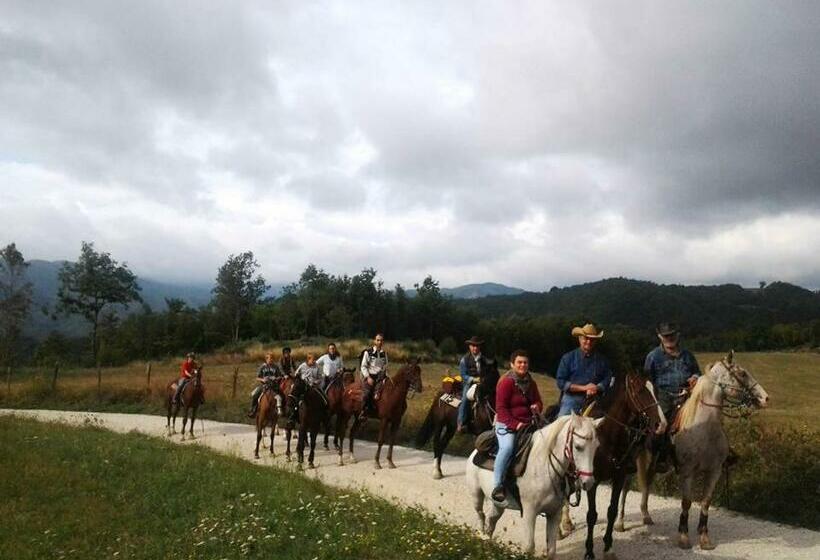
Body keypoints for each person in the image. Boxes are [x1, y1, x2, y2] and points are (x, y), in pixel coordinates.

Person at [644, 322, 700, 471]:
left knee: (707, 414)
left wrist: (694, 378)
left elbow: (697, 372)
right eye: (666, 336)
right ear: (660, 337)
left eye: (672, 335)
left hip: (687, 394)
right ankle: (660, 458)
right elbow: (648, 380)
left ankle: (718, 452)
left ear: (677, 335)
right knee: (662, 425)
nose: (669, 338)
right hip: (664, 396)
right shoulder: (653, 356)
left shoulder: (687, 355)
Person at [492, 349, 543, 502]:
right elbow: (501, 409)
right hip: (506, 424)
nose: (522, 365)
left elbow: (539, 401)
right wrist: (516, 424)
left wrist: (537, 406)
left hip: (528, 424)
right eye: (519, 362)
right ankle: (498, 485)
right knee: (507, 447)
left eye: (525, 362)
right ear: (512, 364)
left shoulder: (531, 383)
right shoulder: (506, 382)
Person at [555, 323, 613, 416]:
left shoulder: (602, 360)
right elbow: (560, 382)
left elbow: (608, 377)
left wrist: (597, 387)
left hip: (595, 400)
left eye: (592, 339)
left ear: (595, 341)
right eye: (586, 338)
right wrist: (584, 388)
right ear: (580, 338)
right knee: (563, 420)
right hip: (572, 399)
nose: (589, 342)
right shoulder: (568, 358)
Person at [457, 336, 489, 433]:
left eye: (477, 346)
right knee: (465, 398)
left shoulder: (484, 359)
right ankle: (461, 422)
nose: (475, 348)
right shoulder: (464, 360)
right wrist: (473, 379)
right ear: (469, 347)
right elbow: (463, 375)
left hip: (483, 383)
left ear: (480, 347)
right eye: (473, 346)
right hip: (469, 383)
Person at [247, 352, 283, 417]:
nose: (271, 360)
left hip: (274, 385)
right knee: (255, 394)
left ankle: (282, 410)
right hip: (264, 385)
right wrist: (263, 380)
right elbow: (257, 377)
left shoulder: (276, 367)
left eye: (272, 358)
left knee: (282, 394)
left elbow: (280, 376)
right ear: (266, 359)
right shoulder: (262, 367)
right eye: (270, 358)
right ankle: (253, 410)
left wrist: (276, 378)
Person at [360, 333, 388, 413]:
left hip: (381, 377)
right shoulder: (368, 352)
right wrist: (368, 377)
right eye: (378, 340)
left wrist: (385, 373)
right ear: (374, 341)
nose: (380, 342)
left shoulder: (384, 353)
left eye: (381, 340)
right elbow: (363, 366)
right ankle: (363, 412)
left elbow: (386, 365)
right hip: (370, 377)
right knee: (366, 394)